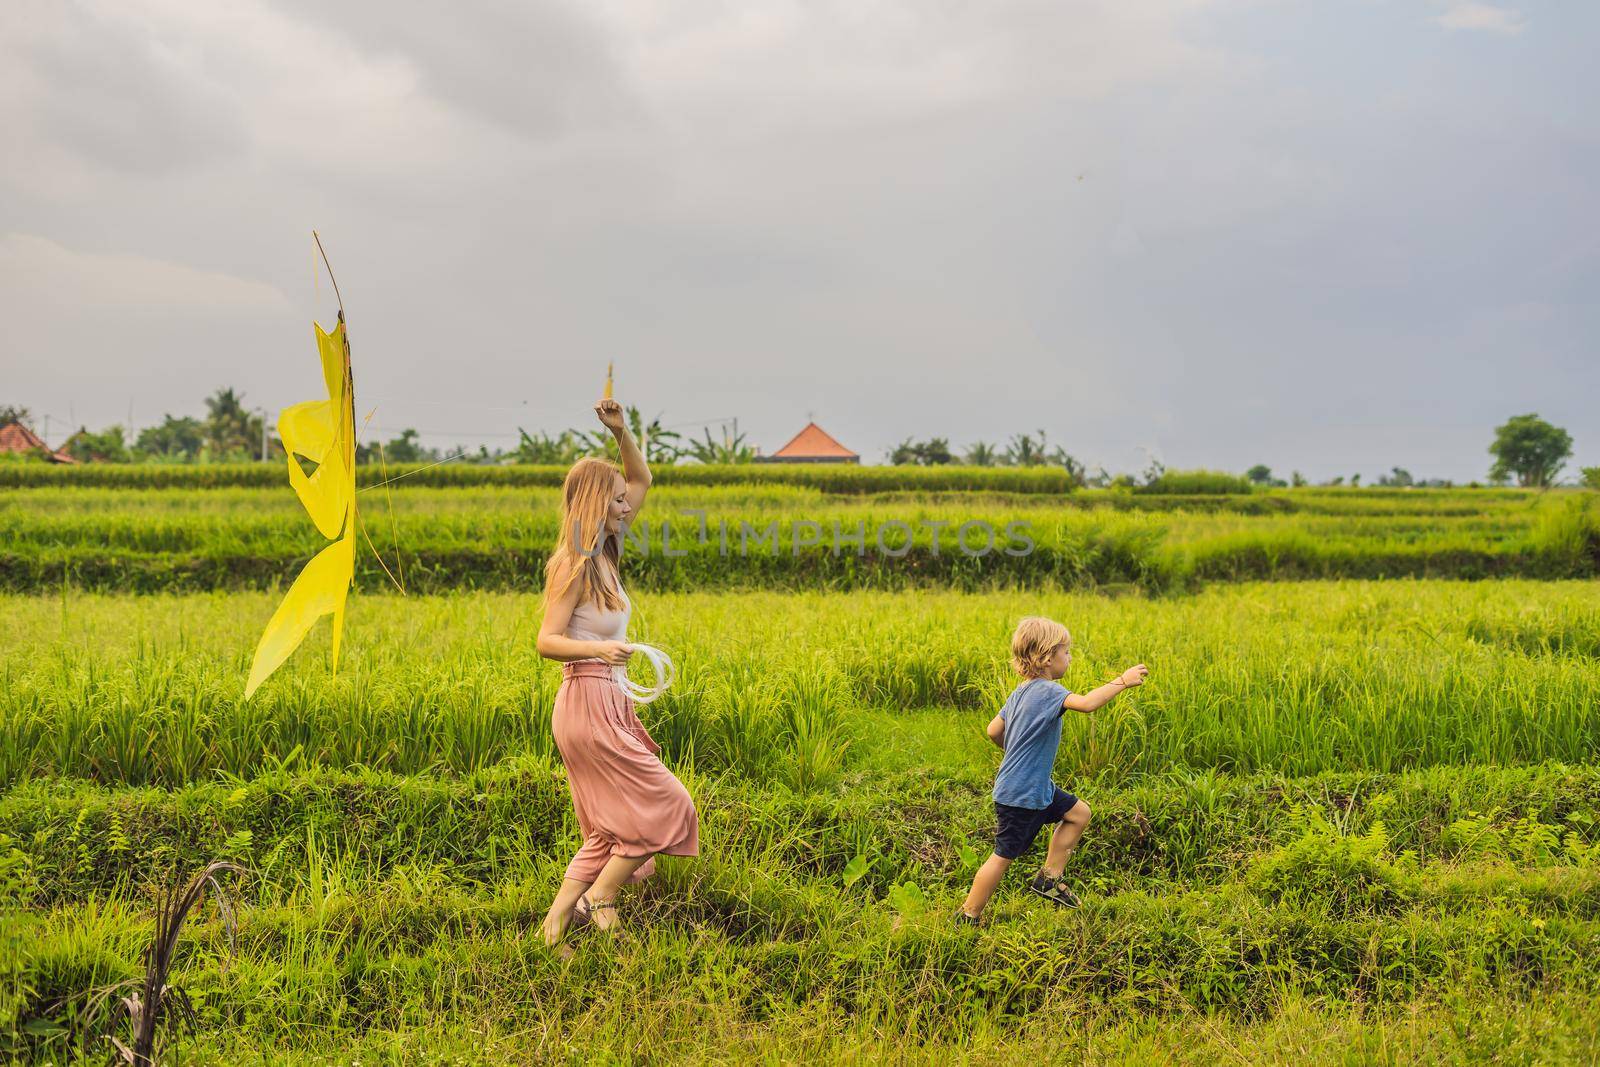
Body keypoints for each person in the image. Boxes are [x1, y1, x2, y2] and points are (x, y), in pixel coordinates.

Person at [534, 395, 699, 948]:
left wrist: (621, 432)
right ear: (594, 503)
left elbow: (642, 476)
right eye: (617, 501)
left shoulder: (605, 551)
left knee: (610, 826)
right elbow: (545, 641)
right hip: (585, 700)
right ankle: (601, 898)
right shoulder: (575, 563)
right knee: (670, 801)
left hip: (608, 701)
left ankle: (554, 926)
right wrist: (598, 653)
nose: (627, 506)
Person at [956, 616, 1148, 924]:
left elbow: (993, 731)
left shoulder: (1020, 692)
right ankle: (968, 915)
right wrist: (1122, 681)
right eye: (1066, 652)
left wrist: (1018, 752)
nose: (1069, 657)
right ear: (1047, 657)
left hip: (1031, 786)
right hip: (1022, 794)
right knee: (1002, 856)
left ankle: (1049, 878)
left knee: (1079, 813)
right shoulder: (1049, 691)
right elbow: (1086, 704)